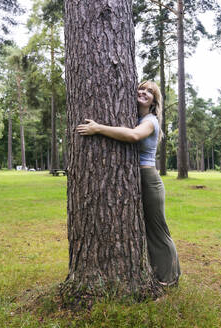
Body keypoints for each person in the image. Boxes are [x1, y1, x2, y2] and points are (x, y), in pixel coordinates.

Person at [76, 81, 181, 286]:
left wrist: (97, 128)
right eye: (141, 89)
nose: (144, 92)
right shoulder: (136, 118)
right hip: (138, 179)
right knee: (146, 229)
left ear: (153, 101)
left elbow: (133, 136)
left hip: (149, 180)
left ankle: (170, 279)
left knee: (157, 230)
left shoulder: (150, 121)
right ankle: (162, 272)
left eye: (150, 92)